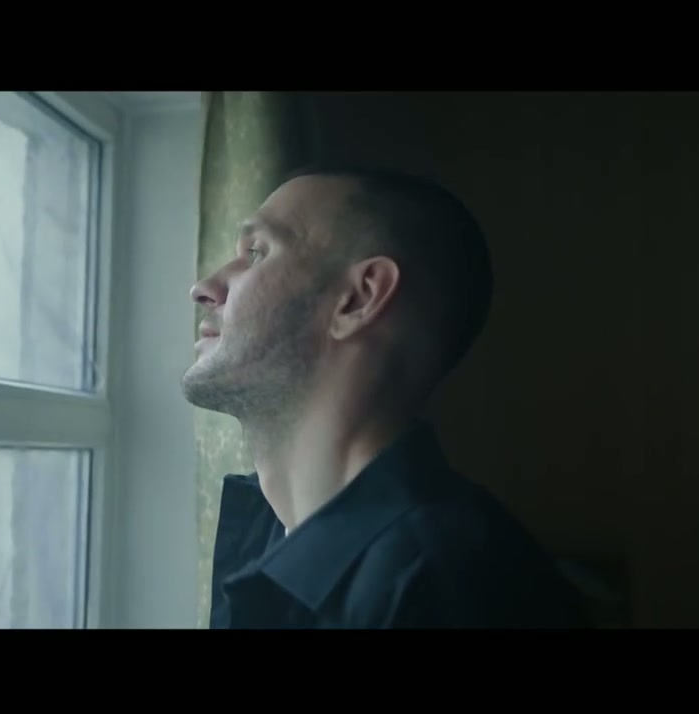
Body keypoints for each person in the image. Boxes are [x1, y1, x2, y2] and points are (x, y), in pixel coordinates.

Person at [183, 165, 590, 629]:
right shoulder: (269, 536)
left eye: (256, 252)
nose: (204, 289)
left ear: (359, 299)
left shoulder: (446, 586)